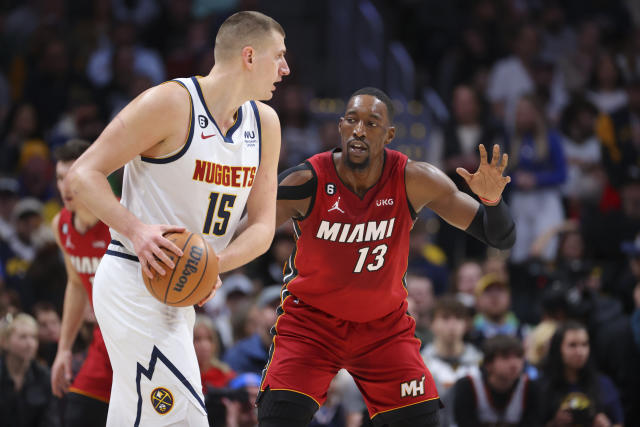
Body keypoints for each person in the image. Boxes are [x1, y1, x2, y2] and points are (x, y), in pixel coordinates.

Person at [65, 11, 289, 426]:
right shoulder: (170, 103)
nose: (285, 68)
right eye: (279, 56)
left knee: (140, 416)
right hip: (133, 279)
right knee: (184, 415)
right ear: (248, 56)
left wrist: (212, 264)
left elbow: (262, 226)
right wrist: (137, 230)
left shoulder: (266, 124)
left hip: (182, 292)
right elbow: (83, 174)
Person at [259, 87, 515, 427]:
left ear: (390, 134)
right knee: (277, 418)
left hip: (383, 330)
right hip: (311, 325)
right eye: (352, 120)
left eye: (372, 122)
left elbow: (500, 236)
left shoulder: (414, 179)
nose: (359, 130)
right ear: (340, 126)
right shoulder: (307, 180)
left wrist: (493, 202)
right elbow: (248, 228)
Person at [49, 139, 113, 426]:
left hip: (142, 336)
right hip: (104, 339)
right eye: (60, 178)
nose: (65, 186)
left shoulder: (120, 218)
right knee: (79, 412)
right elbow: (76, 284)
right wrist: (64, 348)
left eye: (72, 176)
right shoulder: (60, 225)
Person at [539, 321, 624, 427]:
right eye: (572, 345)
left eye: (584, 344)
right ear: (558, 349)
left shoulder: (603, 384)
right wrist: (553, 423)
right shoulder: (541, 386)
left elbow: (618, 422)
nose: (580, 352)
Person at [452, 334, 541, 427]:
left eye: (518, 356)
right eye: (505, 357)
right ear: (488, 364)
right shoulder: (468, 385)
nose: (514, 364)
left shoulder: (531, 387)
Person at [421, 296, 482, 427]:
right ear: (431, 323)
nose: (452, 325)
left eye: (458, 318)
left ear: (466, 325)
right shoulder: (419, 364)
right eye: (445, 318)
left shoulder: (480, 363)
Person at [0, 312, 60, 426]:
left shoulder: (45, 377)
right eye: (23, 337)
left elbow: (51, 421)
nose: (30, 344)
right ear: (5, 342)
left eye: (33, 337)